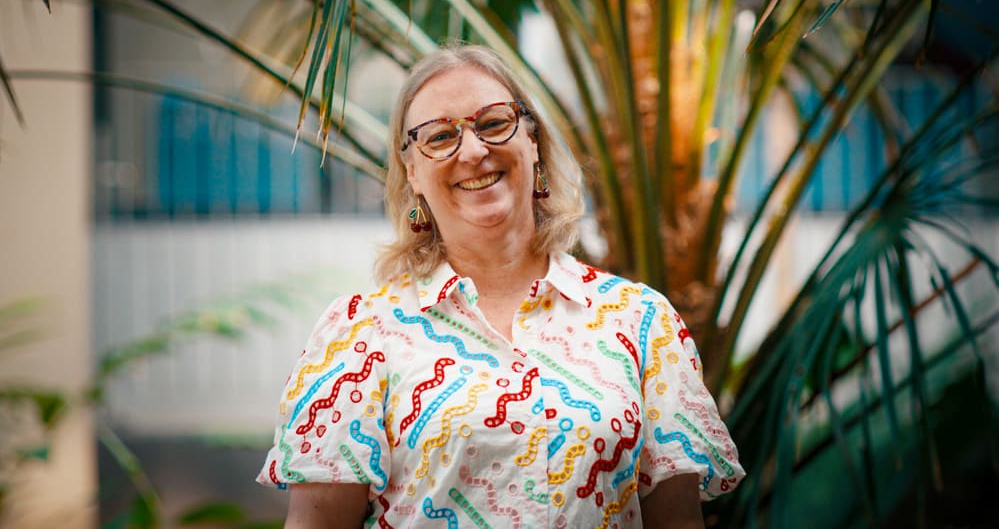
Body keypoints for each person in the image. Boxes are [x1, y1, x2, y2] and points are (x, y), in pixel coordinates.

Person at [257, 44, 744, 528]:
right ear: (413, 172)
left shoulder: (640, 321)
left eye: (493, 123)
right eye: (440, 136)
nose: (473, 151)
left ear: (533, 142)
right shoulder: (360, 334)